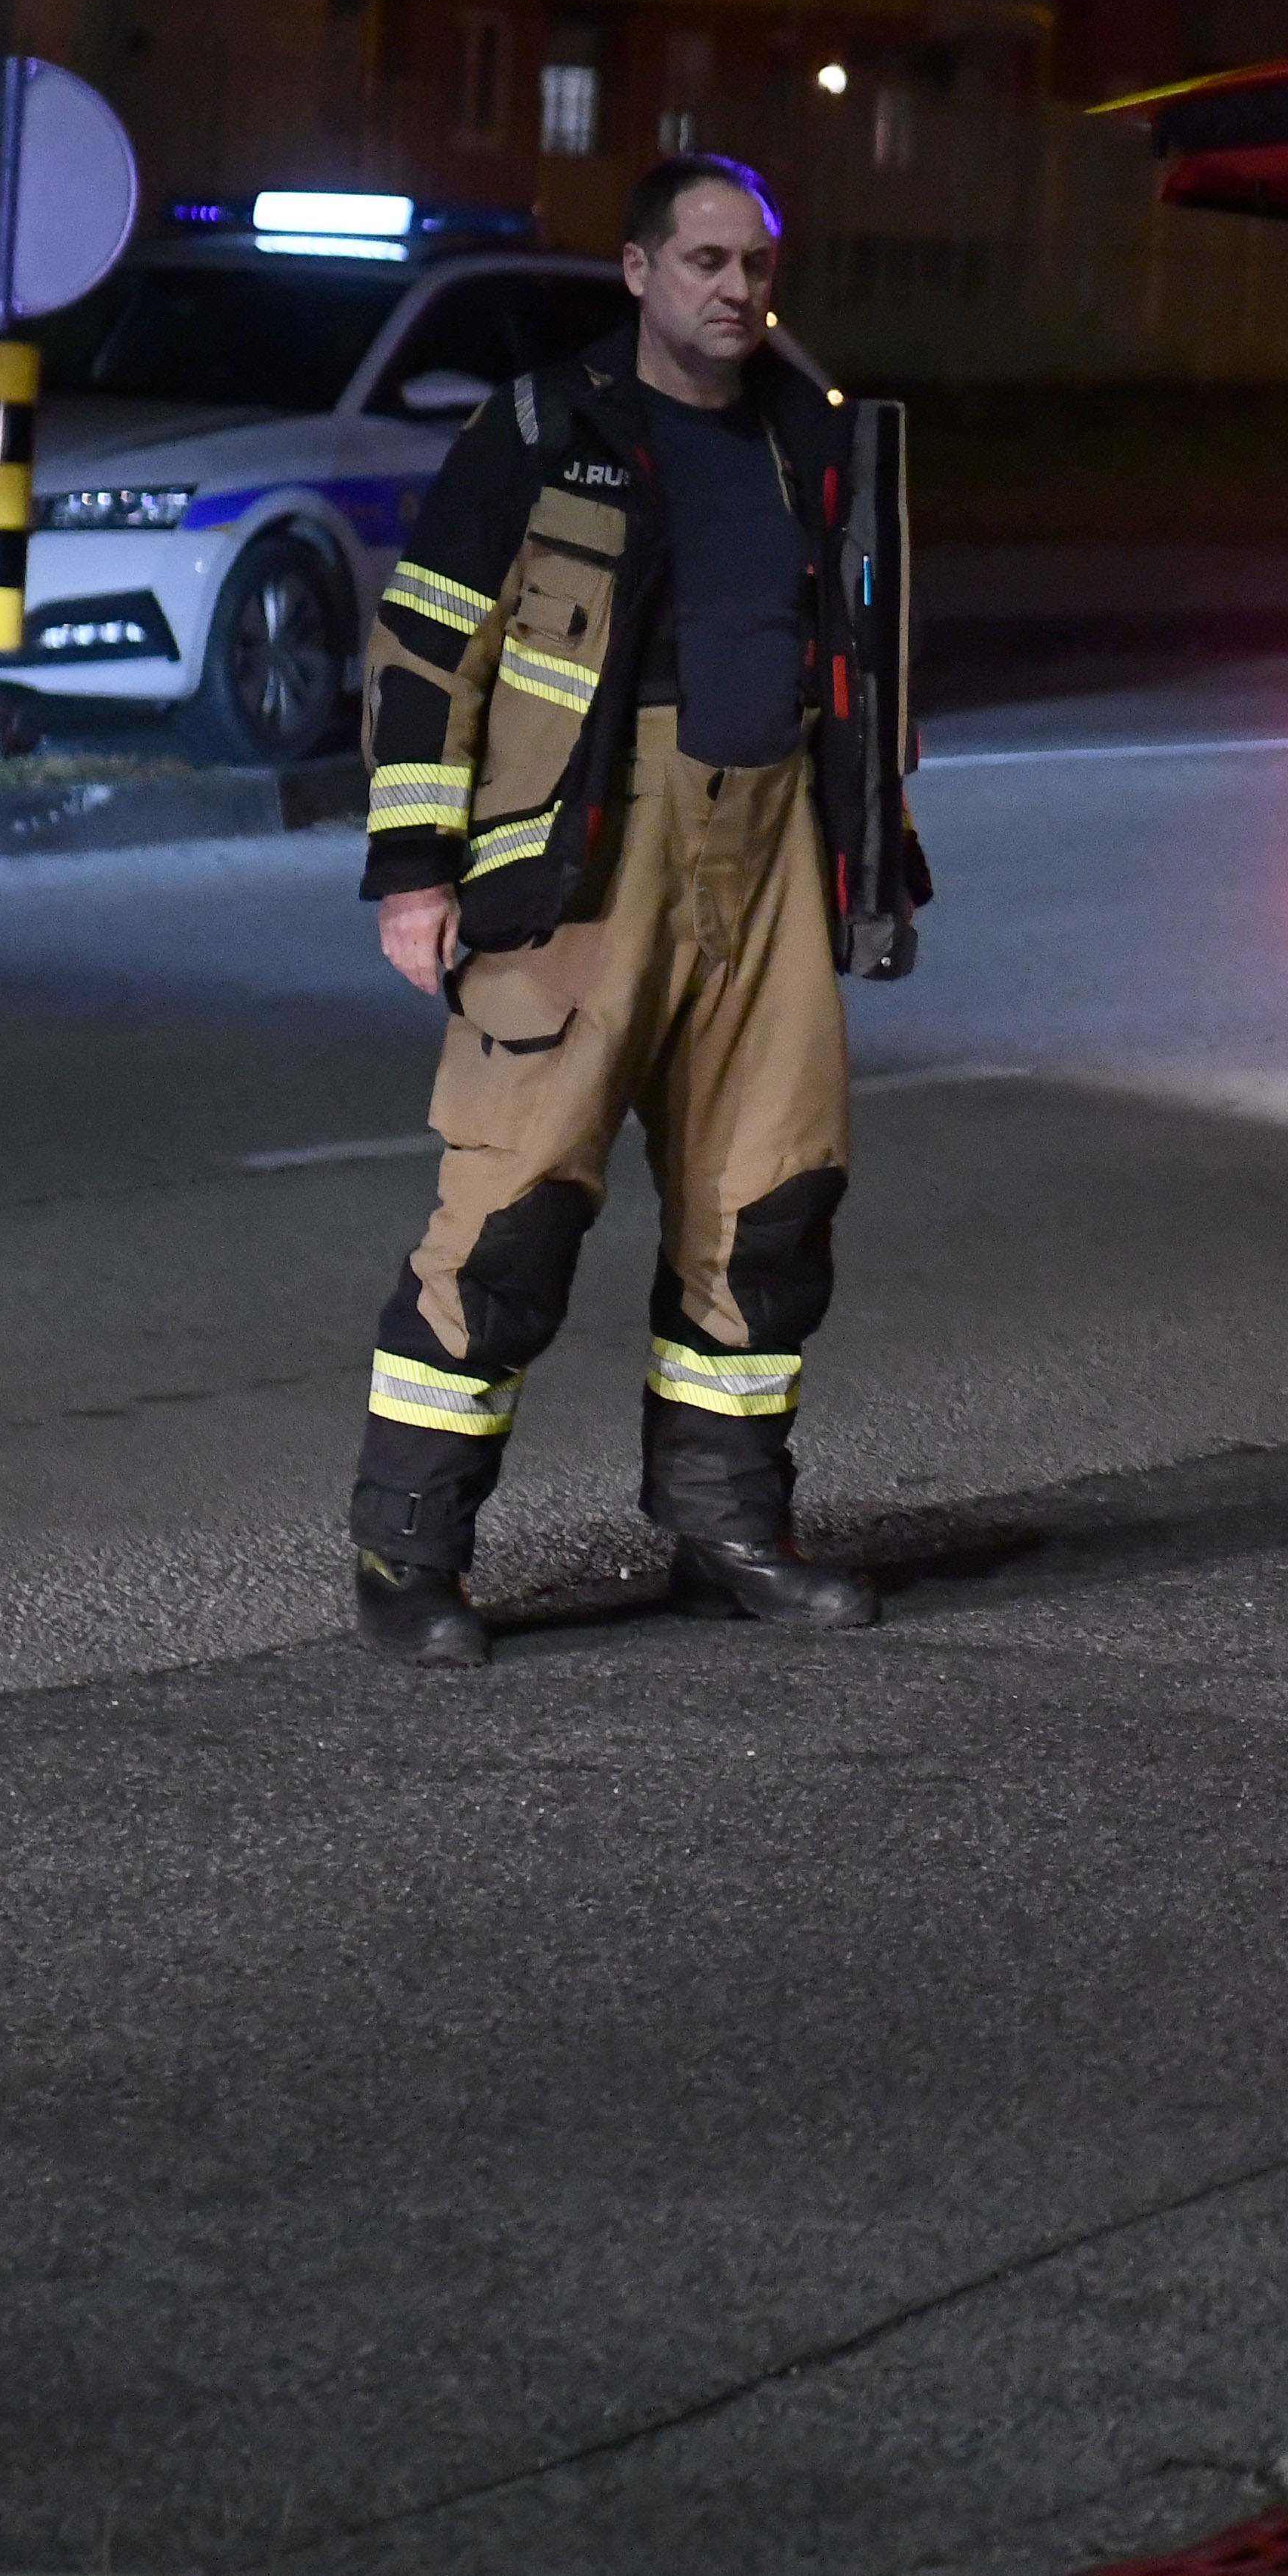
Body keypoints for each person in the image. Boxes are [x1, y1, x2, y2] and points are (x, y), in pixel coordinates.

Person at [342, 154, 926, 1665]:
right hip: (586, 862)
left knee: (770, 1211)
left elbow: (861, 663)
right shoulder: (547, 429)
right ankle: (409, 1559)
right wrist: (415, 870)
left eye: (757, 265)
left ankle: (727, 1531)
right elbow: (426, 646)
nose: (737, 290)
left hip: (769, 846)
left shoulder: (814, 438)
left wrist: (872, 851)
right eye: (707, 261)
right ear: (639, 271)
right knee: (511, 1220)